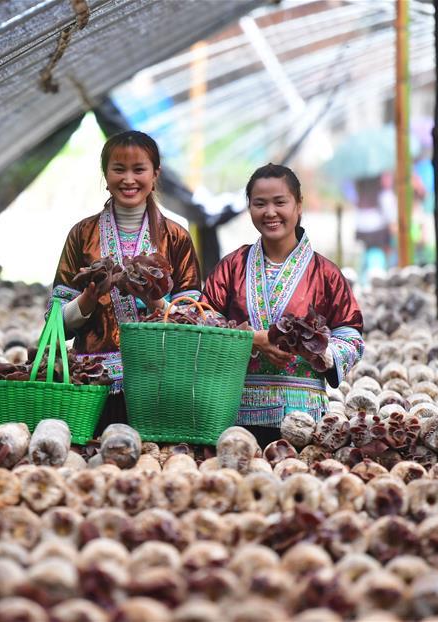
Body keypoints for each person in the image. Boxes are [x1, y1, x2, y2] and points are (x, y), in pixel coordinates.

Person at [201, 164, 364, 446]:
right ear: (249, 207)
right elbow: (201, 321)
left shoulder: (326, 273)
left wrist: (321, 353)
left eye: (280, 202)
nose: (270, 212)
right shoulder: (231, 267)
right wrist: (252, 339)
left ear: (298, 205)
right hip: (235, 416)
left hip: (304, 419)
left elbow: (351, 335)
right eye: (259, 203)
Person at [51, 131, 201, 432]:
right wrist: (87, 301)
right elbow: (55, 323)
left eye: (139, 169)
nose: (129, 179)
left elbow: (195, 320)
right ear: (105, 175)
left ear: (155, 174)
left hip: (160, 384)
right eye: (119, 169)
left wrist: (154, 300)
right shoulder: (82, 234)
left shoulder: (176, 237)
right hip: (93, 385)